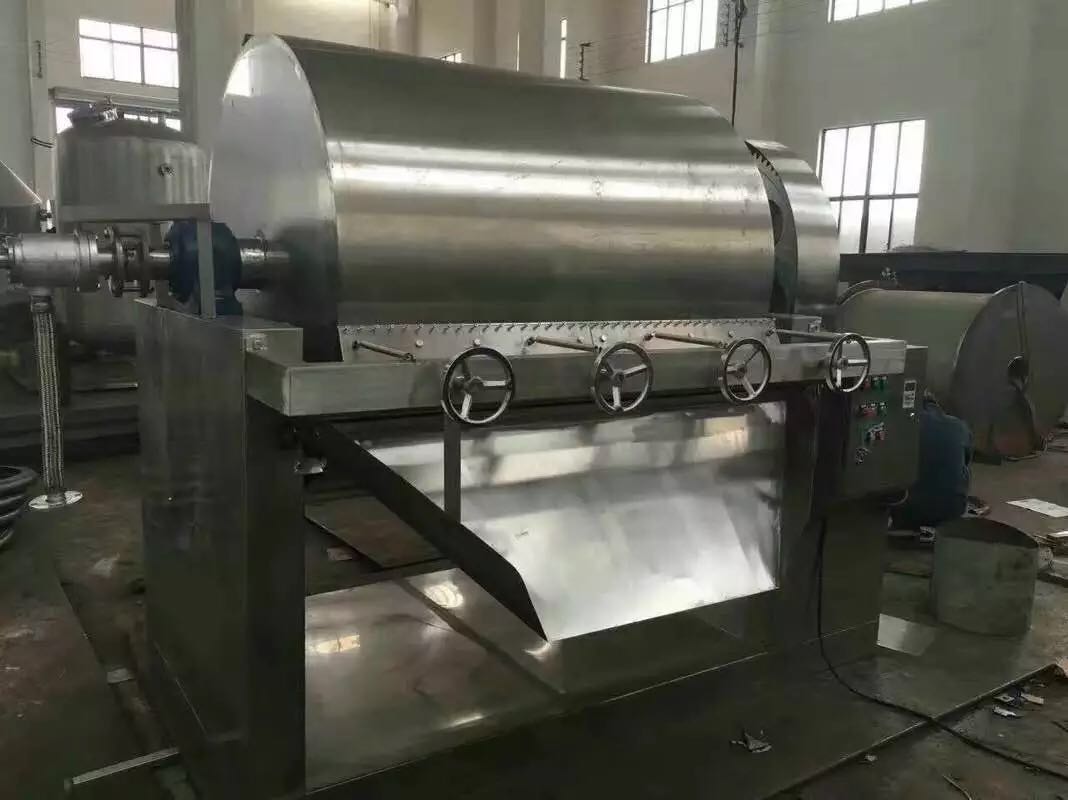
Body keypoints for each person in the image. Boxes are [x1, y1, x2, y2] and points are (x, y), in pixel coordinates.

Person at [891, 395, 973, 530]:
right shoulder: (959, 426)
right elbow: (966, 461)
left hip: (904, 510)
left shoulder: (900, 424)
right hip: (952, 511)